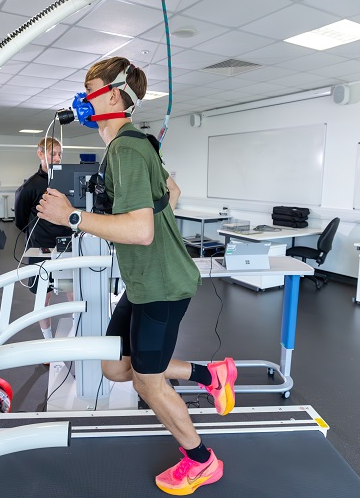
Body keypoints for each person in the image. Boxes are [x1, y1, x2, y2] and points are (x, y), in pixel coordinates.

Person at [37, 57, 237, 495]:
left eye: (88, 89)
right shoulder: (135, 143)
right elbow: (173, 191)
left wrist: (72, 217)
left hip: (162, 284)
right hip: (147, 282)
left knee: (148, 381)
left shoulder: (127, 148)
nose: (81, 99)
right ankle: (211, 375)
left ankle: (201, 460)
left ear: (110, 95)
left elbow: (141, 231)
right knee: (114, 366)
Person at [14, 136, 73, 342]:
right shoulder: (30, 186)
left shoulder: (66, 181)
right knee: (43, 296)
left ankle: (77, 330)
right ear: (40, 154)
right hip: (41, 249)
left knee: (71, 290)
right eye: (52, 154)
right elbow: (21, 222)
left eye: (60, 154)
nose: (57, 158)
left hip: (65, 246)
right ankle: (47, 339)